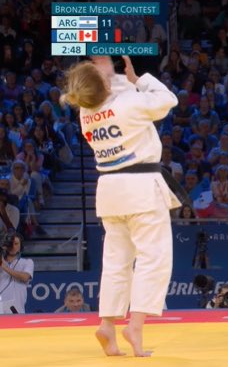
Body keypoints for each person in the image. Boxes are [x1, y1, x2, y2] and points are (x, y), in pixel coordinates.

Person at [62, 56, 179, 357]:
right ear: (101, 82)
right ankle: (135, 325)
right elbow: (168, 99)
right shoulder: (129, 104)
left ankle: (106, 324)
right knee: (153, 258)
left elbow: (105, 90)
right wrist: (138, 78)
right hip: (140, 188)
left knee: (116, 262)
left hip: (110, 191)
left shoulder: (86, 111)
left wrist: (114, 75)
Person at [0, 232, 33, 314]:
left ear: (20, 246)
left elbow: (25, 277)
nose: (13, 246)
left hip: (16, 307)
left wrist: (4, 267)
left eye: (16, 244)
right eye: (11, 244)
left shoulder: (27, 262)